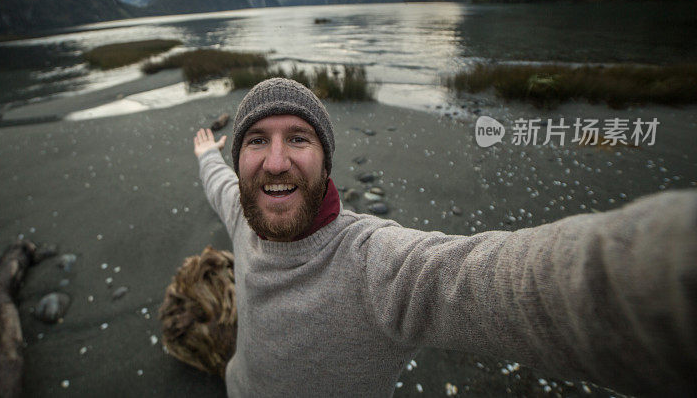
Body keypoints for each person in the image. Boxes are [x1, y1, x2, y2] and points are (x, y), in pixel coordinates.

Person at [192, 77, 697, 397]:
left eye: (298, 138)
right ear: (240, 163)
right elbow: (218, 185)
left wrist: (666, 270)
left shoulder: (377, 267)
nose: (275, 161)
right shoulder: (243, 211)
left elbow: (516, 285)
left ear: (327, 165)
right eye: (257, 141)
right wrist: (204, 155)